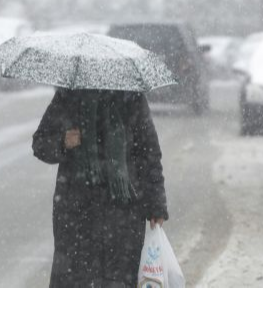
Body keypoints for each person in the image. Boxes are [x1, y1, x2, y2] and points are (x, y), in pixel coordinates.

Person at [32, 88, 169, 288]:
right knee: (76, 283)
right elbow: (40, 143)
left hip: (123, 215)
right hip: (76, 214)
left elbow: (149, 154)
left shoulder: (131, 97)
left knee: (118, 281)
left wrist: (156, 204)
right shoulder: (69, 96)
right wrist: (63, 141)